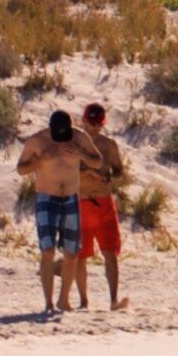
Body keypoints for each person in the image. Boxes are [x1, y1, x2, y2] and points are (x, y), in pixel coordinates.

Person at [16, 109, 83, 317]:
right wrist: (41, 160)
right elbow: (21, 169)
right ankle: (48, 303)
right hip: (46, 197)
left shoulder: (78, 138)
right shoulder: (37, 141)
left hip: (71, 197)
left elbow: (97, 160)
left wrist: (80, 154)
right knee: (48, 251)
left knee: (71, 252)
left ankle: (64, 300)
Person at [76, 102, 131, 311]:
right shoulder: (76, 143)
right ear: (83, 121)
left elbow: (119, 171)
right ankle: (83, 301)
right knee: (81, 255)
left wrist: (111, 177)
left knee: (110, 252)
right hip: (81, 202)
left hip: (103, 202)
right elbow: (69, 173)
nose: (94, 127)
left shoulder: (109, 145)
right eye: (92, 123)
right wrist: (89, 173)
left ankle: (113, 299)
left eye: (98, 124)